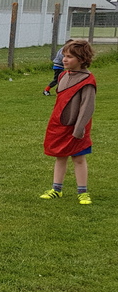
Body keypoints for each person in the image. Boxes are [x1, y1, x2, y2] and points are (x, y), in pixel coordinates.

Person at [40, 39, 96, 205]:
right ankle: (56, 189)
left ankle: (83, 192)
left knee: (78, 158)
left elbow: (87, 107)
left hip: (77, 127)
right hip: (60, 126)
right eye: (64, 56)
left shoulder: (87, 81)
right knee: (60, 157)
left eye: (69, 57)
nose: (64, 59)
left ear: (82, 59)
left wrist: (79, 128)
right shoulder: (63, 75)